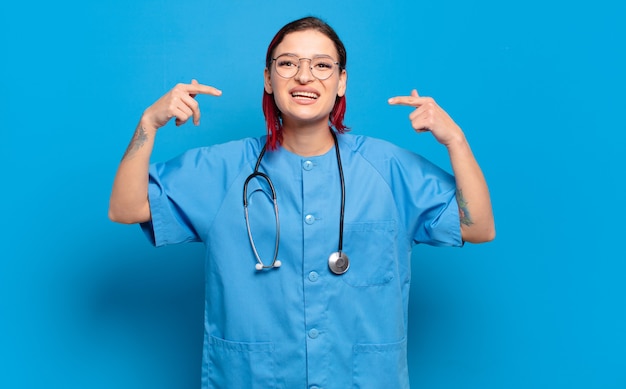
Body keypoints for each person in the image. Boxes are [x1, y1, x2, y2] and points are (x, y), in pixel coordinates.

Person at [109, 16, 495, 389]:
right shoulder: (223, 170)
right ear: (268, 78)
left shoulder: (388, 168)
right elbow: (126, 209)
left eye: (322, 65)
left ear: (342, 81)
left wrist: (455, 141)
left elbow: (477, 227)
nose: (304, 76)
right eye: (288, 63)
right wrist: (148, 124)